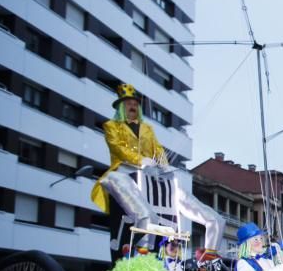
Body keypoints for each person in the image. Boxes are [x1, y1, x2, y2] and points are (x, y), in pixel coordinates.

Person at [91, 83, 224, 260]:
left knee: (213, 217)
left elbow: (157, 149)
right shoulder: (111, 126)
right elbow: (118, 148)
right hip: (124, 173)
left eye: (135, 103)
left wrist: (163, 165)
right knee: (147, 216)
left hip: (152, 177)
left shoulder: (147, 129)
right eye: (128, 103)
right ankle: (141, 255)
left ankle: (209, 258)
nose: (132, 106)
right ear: (121, 106)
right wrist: (140, 160)